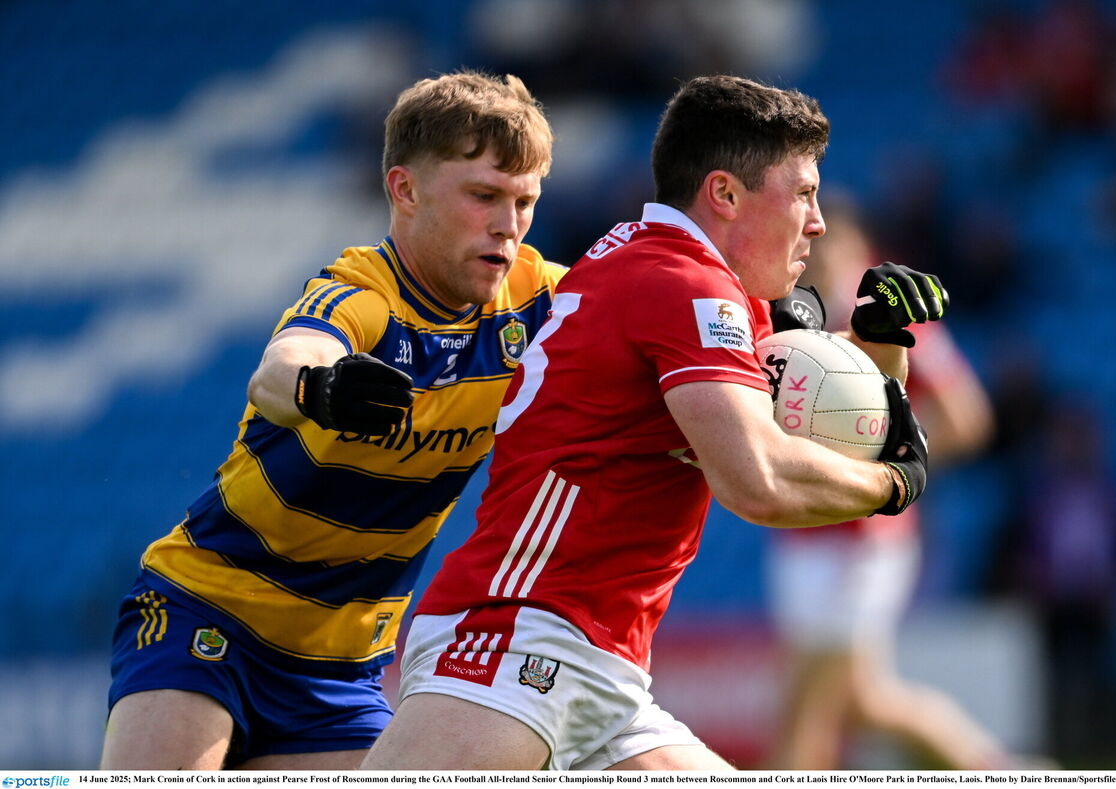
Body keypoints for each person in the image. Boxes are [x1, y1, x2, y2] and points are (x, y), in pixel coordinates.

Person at [361, 74, 947, 771]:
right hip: (519, 634)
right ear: (725, 194)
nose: (816, 222)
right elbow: (759, 479)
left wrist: (879, 348)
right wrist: (894, 484)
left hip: (599, 665)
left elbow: (812, 414)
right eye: (803, 193)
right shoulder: (686, 286)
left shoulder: (679, 271)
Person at [100, 71, 565, 769]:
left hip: (339, 672)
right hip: (209, 617)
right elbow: (281, 368)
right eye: (483, 196)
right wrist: (321, 388)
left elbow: (656, 303)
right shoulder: (361, 293)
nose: (509, 223)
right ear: (405, 190)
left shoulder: (540, 300)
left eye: (524, 201)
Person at [760, 195, 1008, 770]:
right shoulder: (794, 320)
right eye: (809, 244)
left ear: (861, 249)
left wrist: (883, 457)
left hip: (864, 538)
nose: (818, 256)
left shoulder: (890, 317)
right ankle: (1002, 771)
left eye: (831, 244)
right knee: (861, 704)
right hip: (801, 532)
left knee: (806, 707)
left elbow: (967, 419)